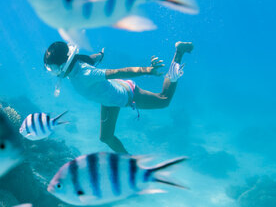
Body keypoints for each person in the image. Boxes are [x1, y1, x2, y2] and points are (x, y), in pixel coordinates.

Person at [44, 41, 193, 153]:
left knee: (164, 100)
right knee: (105, 138)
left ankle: (178, 53)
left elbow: (118, 72)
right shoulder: (76, 66)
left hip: (126, 94)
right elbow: (91, 59)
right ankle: (130, 161)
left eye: (54, 68)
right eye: (51, 69)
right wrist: (100, 55)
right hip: (109, 99)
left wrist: (148, 70)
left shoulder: (85, 73)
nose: (54, 72)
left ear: (64, 64)